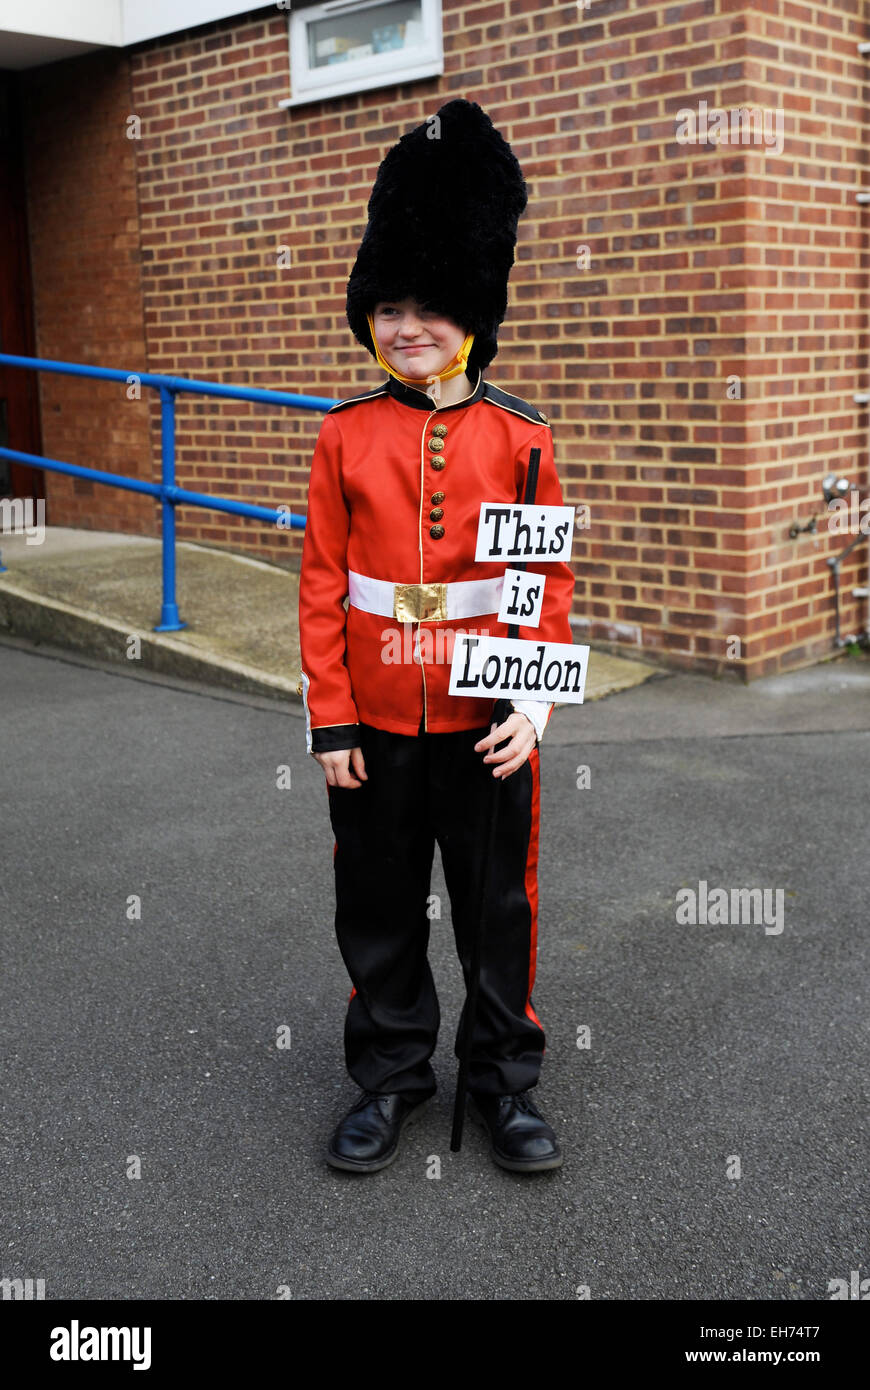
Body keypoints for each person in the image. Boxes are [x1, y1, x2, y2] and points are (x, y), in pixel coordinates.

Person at [297, 100, 575, 1173]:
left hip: (483, 719)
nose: (407, 326)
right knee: (376, 907)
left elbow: (537, 581)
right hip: (372, 720)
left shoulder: (523, 439)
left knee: (497, 906)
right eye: (391, 306)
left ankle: (504, 1083)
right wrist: (329, 718)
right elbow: (325, 581)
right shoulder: (343, 437)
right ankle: (391, 1075)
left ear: (475, 312)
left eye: (432, 307)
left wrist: (531, 702)